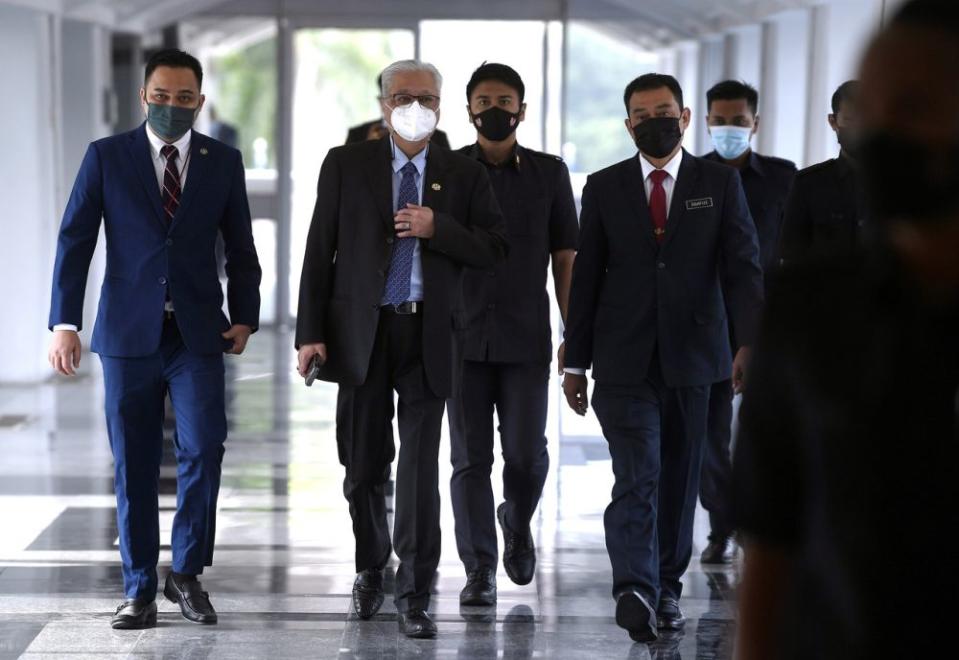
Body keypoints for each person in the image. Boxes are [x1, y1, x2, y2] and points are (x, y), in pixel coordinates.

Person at [734, 1, 959, 658]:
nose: (881, 133)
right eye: (871, 111)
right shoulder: (810, 311)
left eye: (912, 107)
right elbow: (771, 541)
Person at [47, 48, 261, 629]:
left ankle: (186, 575)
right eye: (161, 96)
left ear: (200, 100)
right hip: (127, 334)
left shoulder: (222, 161)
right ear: (144, 96)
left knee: (205, 447)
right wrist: (64, 323)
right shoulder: (107, 157)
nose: (172, 106)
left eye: (184, 98)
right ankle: (139, 586)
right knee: (134, 462)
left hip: (196, 335)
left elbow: (242, 248)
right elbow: (75, 242)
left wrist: (245, 315)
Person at [295, 59, 507, 639]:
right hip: (361, 333)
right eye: (403, 96)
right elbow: (320, 251)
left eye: (427, 97)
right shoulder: (347, 164)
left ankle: (415, 592)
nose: (415, 105)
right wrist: (308, 332)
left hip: (429, 334)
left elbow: (495, 247)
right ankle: (371, 568)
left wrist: (442, 229)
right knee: (363, 465)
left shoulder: (462, 173)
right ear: (384, 103)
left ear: (441, 106)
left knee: (416, 471)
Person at [562, 73, 763, 643]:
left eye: (665, 111)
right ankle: (634, 586)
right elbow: (587, 279)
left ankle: (667, 589)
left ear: (684, 118)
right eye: (643, 114)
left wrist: (747, 342)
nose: (655, 120)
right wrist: (575, 361)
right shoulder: (603, 187)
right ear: (628, 125)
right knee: (637, 472)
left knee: (678, 478)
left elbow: (742, 267)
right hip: (623, 360)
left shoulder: (718, 185)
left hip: (698, 358)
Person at [449, 63, 578, 607]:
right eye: (484, 100)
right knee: (469, 461)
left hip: (526, 337)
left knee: (526, 456)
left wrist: (575, 335)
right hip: (460, 337)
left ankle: (516, 518)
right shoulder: (446, 169)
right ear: (469, 108)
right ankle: (478, 568)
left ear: (522, 110)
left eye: (505, 100)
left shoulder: (550, 173)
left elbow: (565, 258)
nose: (494, 110)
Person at [699, 80, 797, 564]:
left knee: (766, 431)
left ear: (755, 124)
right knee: (711, 435)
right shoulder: (694, 176)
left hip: (772, 325)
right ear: (705, 122)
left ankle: (765, 530)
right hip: (710, 322)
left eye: (738, 121)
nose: (728, 129)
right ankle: (721, 528)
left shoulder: (784, 178)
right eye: (719, 120)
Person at [778, 80, 864, 263]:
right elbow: (792, 258)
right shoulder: (809, 184)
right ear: (833, 122)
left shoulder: (900, 183)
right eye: (850, 121)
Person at [346, 74, 451, 149]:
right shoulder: (358, 135)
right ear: (381, 102)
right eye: (402, 98)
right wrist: (368, 146)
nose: (413, 105)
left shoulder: (437, 137)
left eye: (422, 98)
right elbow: (345, 172)